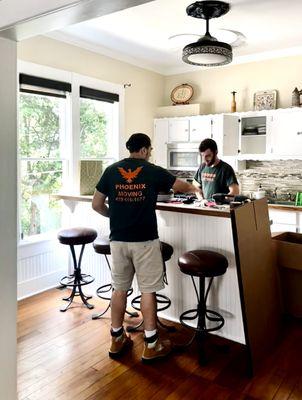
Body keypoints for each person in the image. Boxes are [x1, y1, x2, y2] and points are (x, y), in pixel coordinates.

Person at [92, 133, 202, 363]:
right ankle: (151, 345)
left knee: (119, 289)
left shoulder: (111, 170)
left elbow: (96, 204)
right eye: (149, 149)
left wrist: (115, 215)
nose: (150, 153)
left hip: (118, 240)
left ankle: (116, 339)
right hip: (144, 240)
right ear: (143, 150)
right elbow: (181, 186)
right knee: (147, 290)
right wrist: (197, 191)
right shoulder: (152, 170)